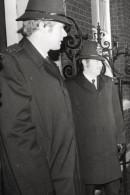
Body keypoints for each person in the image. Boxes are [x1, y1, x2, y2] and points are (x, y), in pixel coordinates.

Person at [0, 0, 81, 194]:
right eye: (62, 28)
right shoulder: (11, 63)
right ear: (44, 25)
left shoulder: (48, 64)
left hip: (65, 180)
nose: (65, 34)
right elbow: (19, 142)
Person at [66, 40, 126, 195]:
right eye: (97, 61)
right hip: (87, 154)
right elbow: (68, 120)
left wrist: (120, 139)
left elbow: (117, 114)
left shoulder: (108, 83)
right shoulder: (70, 86)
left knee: (114, 189)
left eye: (102, 61)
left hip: (109, 152)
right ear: (85, 62)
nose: (101, 65)